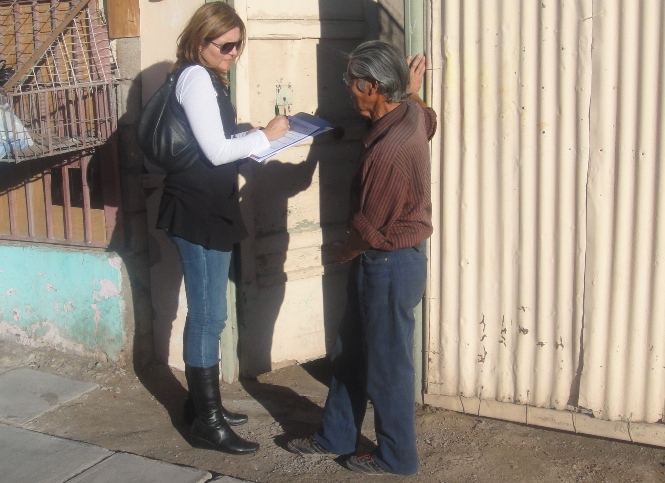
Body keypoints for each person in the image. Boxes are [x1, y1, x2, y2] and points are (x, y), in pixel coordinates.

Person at [286, 40, 437, 476]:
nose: (347, 90)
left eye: (351, 82)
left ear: (371, 87)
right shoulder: (407, 111)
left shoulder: (388, 152)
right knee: (350, 350)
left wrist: (342, 251)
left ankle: (396, 457)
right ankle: (335, 434)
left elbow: (368, 230)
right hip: (385, 263)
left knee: (388, 368)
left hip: (387, 263)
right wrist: (412, 88)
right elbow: (429, 119)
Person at [154, 2, 289, 455]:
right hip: (195, 210)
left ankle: (202, 406)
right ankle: (207, 424)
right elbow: (213, 151)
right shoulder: (194, 77)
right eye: (226, 45)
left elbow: (210, 142)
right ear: (199, 41)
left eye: (238, 44)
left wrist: (252, 137)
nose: (234, 52)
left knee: (212, 314)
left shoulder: (203, 76)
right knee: (208, 316)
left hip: (209, 206)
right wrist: (265, 137)